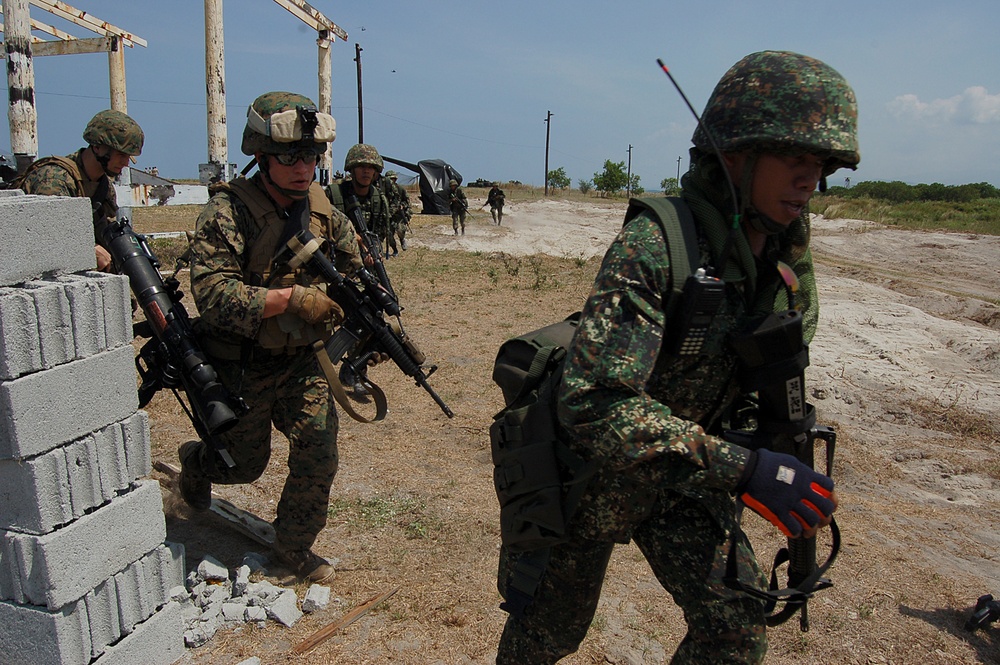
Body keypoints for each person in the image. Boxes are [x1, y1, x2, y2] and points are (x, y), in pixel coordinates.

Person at [495, 50, 859, 663]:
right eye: (795, 161)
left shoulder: (784, 251)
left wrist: (770, 439)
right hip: (585, 478)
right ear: (735, 155)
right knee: (545, 636)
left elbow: (781, 355)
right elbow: (592, 403)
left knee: (737, 625)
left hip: (685, 479)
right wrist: (742, 468)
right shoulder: (658, 242)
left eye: (820, 165)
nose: (810, 181)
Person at [179, 91, 361, 583]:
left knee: (318, 452)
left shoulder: (323, 210)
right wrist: (290, 300)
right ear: (260, 155)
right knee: (242, 467)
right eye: (289, 156)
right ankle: (195, 465)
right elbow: (213, 295)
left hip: (303, 360)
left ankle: (291, 550)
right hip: (243, 362)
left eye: (312, 156)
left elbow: (355, 272)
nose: (303, 167)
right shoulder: (228, 211)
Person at [18, 109, 144, 272]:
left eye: (129, 157)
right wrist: (89, 249)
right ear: (98, 148)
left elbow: (104, 232)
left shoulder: (103, 186)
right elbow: (46, 238)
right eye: (121, 155)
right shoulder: (54, 180)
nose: (126, 163)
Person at [325, 143, 392, 394]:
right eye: (361, 167)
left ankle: (355, 369)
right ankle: (318, 372)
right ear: (351, 169)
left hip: (366, 268)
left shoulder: (378, 198)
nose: (366, 172)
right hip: (333, 267)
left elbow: (380, 232)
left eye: (371, 168)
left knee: (370, 318)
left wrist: (372, 257)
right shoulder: (332, 195)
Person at [385, 170, 411, 252]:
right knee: (389, 235)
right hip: (388, 215)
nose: (392, 181)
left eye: (393, 179)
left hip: (399, 215)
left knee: (400, 230)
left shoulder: (400, 189)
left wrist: (403, 206)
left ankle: (402, 240)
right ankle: (395, 250)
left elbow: (407, 201)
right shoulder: (382, 190)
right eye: (390, 179)